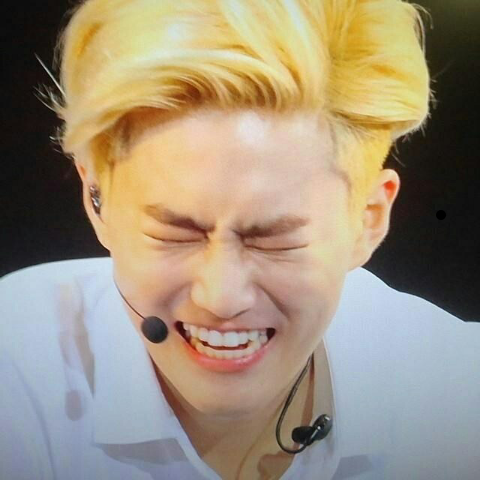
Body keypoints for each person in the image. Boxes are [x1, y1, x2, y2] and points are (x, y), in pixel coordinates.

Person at [1, 1, 479, 479]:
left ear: (367, 220)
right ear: (96, 200)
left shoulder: (457, 399)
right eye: (176, 234)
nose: (222, 298)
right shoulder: (16, 363)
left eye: (274, 241)